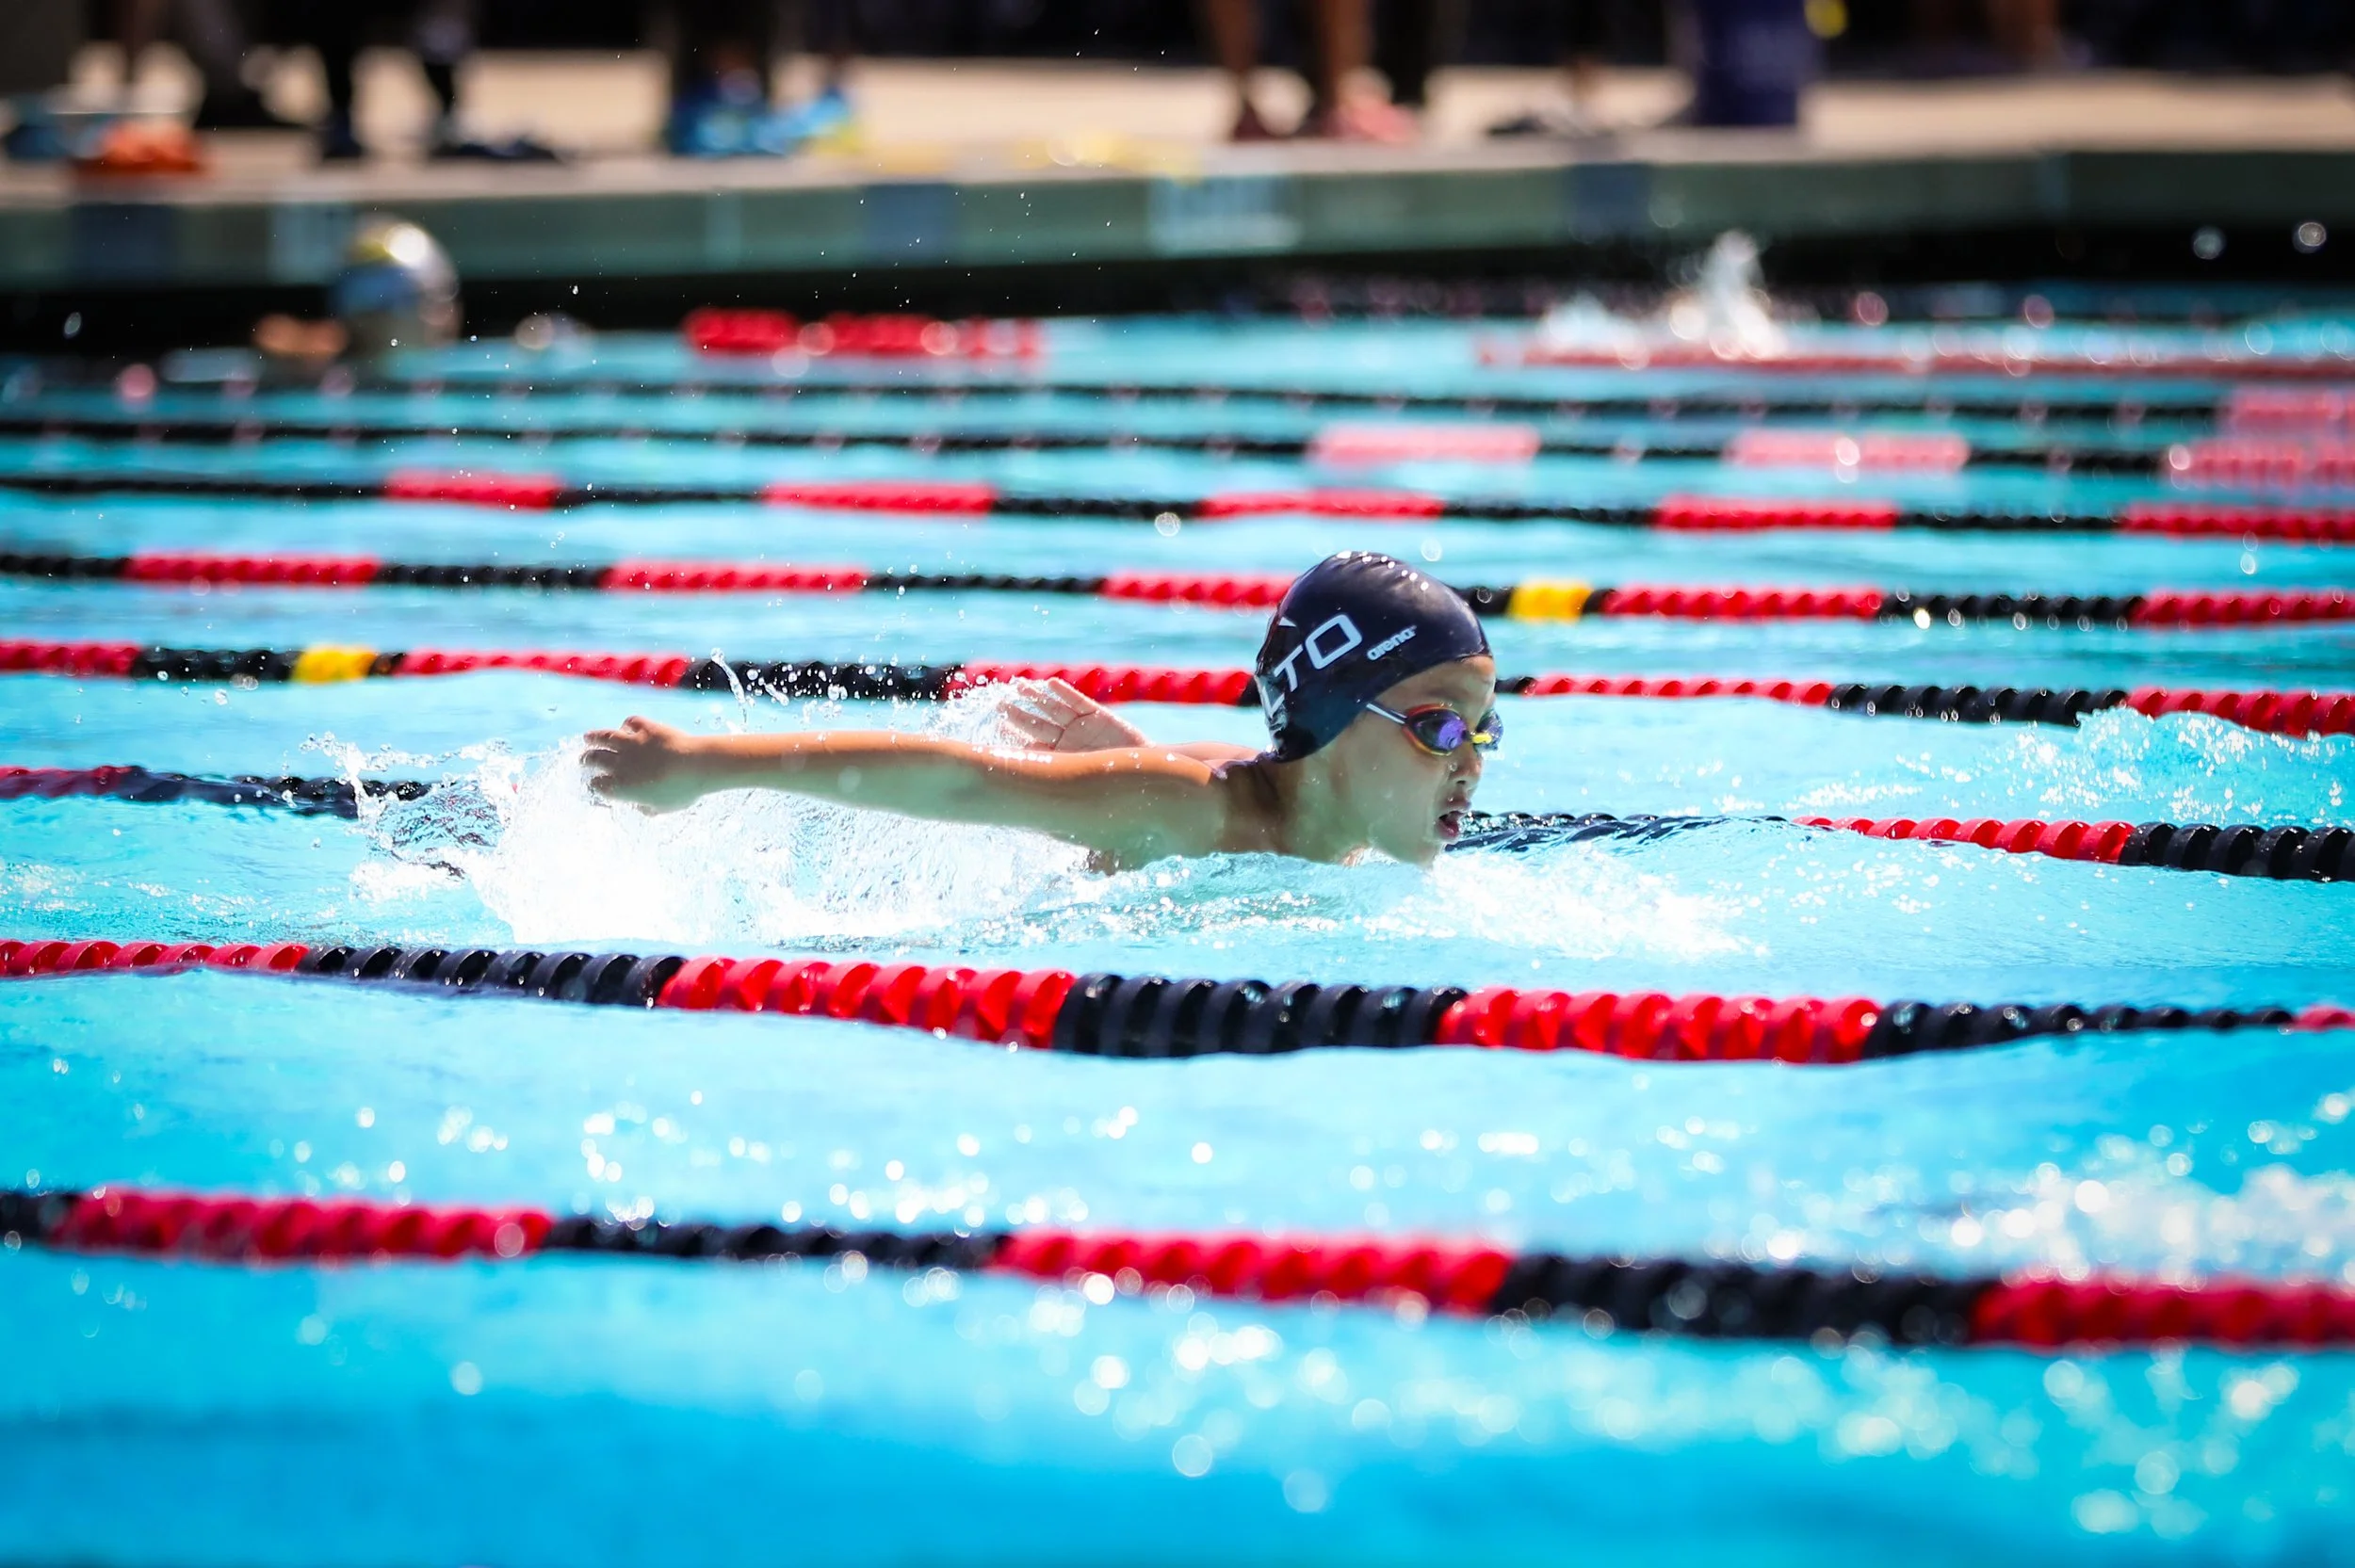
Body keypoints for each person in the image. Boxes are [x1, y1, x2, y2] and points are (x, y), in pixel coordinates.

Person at [582, 552, 1501, 870]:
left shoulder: (1339, 830)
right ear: (1336, 715)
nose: (1471, 761)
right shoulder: (1190, 806)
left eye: (1483, 729)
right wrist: (703, 766)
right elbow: (956, 785)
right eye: (1440, 727)